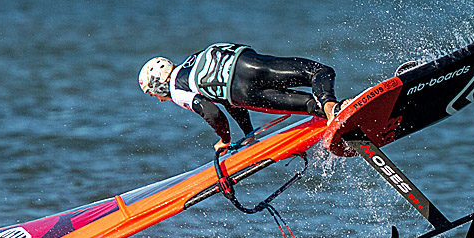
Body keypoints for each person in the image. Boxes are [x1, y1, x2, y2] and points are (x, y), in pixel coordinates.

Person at [138, 43, 351, 150]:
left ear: (157, 86)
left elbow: (212, 112)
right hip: (251, 64)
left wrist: (225, 140)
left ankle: (332, 111)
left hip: (243, 93)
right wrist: (249, 134)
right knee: (319, 71)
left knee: (307, 104)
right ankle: (335, 109)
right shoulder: (193, 61)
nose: (157, 99)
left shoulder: (177, 91)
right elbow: (223, 98)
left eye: (153, 94)